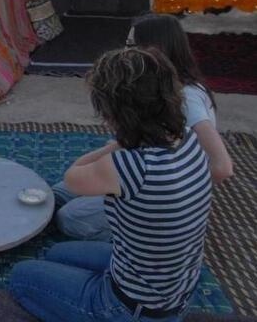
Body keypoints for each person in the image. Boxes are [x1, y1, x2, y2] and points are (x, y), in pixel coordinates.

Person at [11, 47, 213, 321]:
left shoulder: (128, 165)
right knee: (58, 253)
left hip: (132, 309)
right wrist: (134, 137)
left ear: (115, 113)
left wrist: (118, 144)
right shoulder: (188, 138)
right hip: (174, 290)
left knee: (22, 277)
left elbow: (73, 176)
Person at [53, 13, 234, 241]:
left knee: (70, 217)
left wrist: (182, 196)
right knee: (59, 194)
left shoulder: (187, 98)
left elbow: (223, 167)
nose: (125, 51)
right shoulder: (158, 85)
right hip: (143, 163)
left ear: (155, 50)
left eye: (131, 45)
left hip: (158, 187)